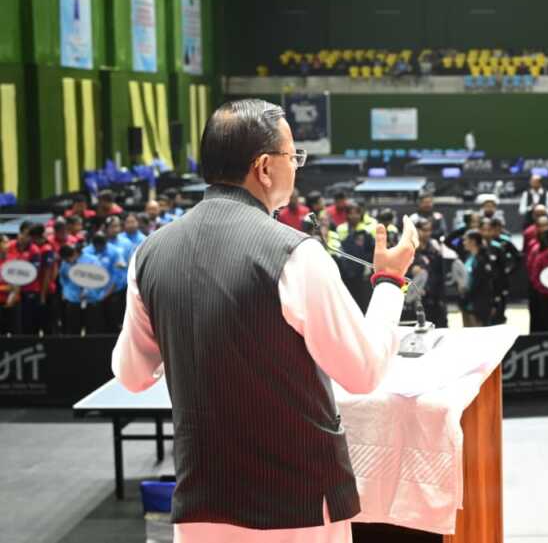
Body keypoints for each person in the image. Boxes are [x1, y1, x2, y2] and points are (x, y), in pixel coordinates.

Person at [112, 98, 418, 543]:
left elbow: (132, 375)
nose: (297, 166)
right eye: (293, 156)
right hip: (298, 506)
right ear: (264, 167)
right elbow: (363, 371)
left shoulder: (149, 252)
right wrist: (389, 281)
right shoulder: (295, 253)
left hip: (202, 504)